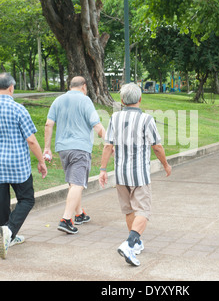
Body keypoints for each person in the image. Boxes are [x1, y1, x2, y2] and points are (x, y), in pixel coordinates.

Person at [0, 73, 47, 259]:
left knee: (1, 201)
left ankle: (4, 235)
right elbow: (31, 140)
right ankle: (9, 232)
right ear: (11, 87)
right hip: (18, 164)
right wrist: (41, 161)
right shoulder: (18, 109)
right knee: (27, 199)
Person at [99, 83, 172, 266]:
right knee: (143, 212)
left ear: (122, 100)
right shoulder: (146, 119)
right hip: (139, 175)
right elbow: (156, 146)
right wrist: (166, 164)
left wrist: (102, 169)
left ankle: (136, 242)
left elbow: (108, 146)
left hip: (121, 174)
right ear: (140, 99)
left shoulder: (114, 118)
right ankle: (129, 244)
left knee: (129, 210)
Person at [44, 76, 105, 234]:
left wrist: (47, 148)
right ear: (84, 86)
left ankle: (79, 214)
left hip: (62, 148)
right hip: (80, 148)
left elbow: (49, 124)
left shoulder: (58, 100)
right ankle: (65, 219)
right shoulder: (85, 101)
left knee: (73, 182)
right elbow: (97, 125)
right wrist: (109, 141)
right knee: (78, 183)